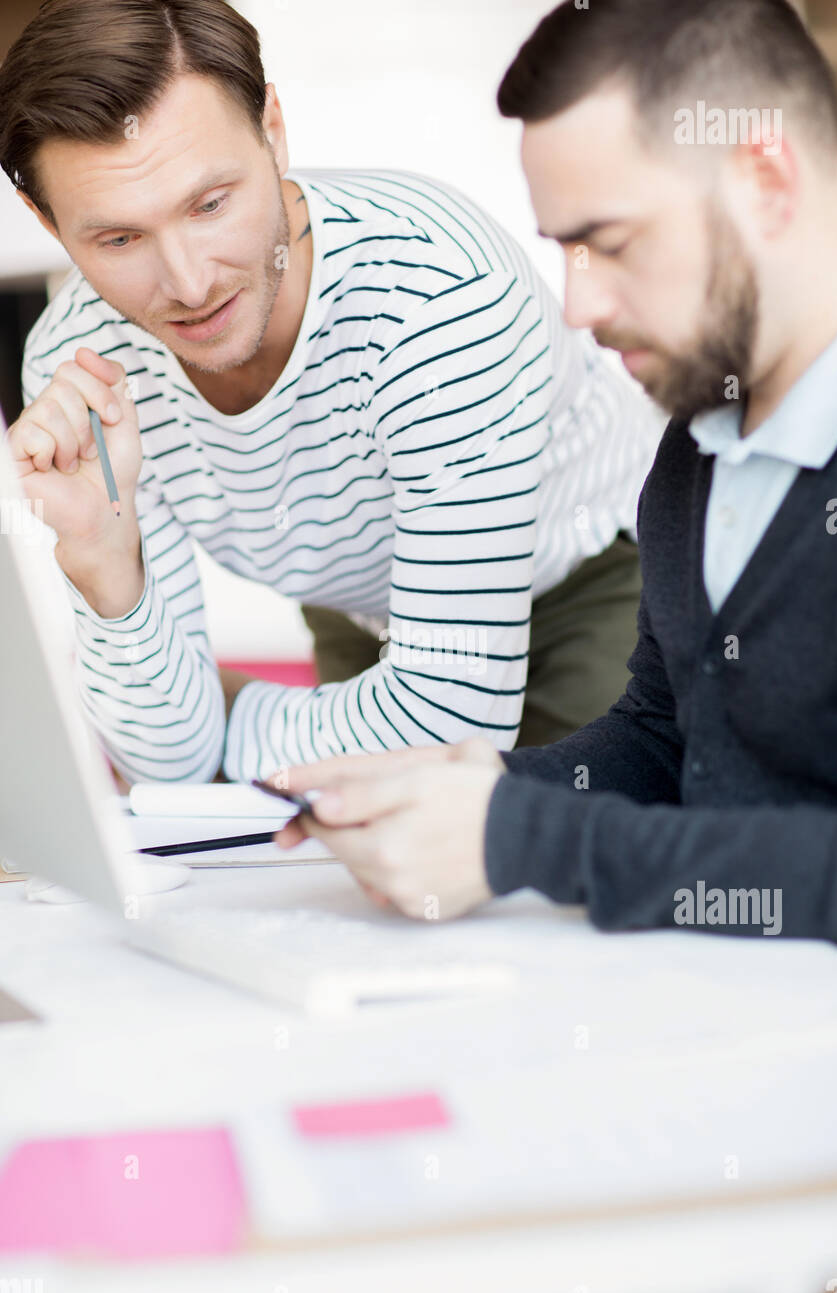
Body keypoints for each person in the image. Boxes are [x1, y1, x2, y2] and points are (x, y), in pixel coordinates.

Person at [273, 0, 837, 958]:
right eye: (563, 251)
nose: (581, 305)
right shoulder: (698, 442)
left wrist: (519, 837)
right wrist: (484, 783)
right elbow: (666, 736)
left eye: (614, 243)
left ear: (763, 178)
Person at [0, 0, 660, 785]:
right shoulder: (76, 371)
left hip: (587, 589)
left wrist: (224, 723)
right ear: (46, 220)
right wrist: (105, 562)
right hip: (362, 616)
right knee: (339, 889)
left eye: (210, 204)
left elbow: (448, 729)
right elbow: (164, 761)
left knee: (562, 873)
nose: (189, 283)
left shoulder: (439, 296)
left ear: (273, 132)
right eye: (118, 239)